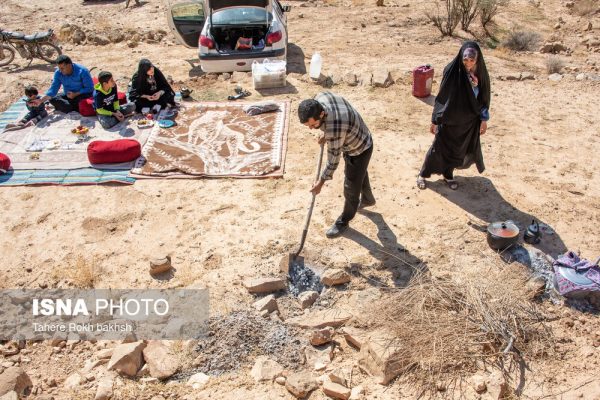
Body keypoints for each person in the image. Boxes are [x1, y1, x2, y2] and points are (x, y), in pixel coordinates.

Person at [298, 92, 376, 239]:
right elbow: (331, 127)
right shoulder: (319, 99)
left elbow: (333, 160)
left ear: (321, 114)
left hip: (359, 148)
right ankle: (368, 199)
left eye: (313, 125)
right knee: (359, 173)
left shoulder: (334, 128)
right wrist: (325, 133)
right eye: (308, 125)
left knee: (351, 187)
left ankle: (344, 221)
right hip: (357, 134)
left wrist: (321, 182)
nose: (311, 128)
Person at [416, 41, 490, 191]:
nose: (468, 63)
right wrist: (435, 120)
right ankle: (423, 174)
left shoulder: (480, 73)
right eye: (466, 59)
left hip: (468, 123)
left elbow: (484, 98)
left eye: (472, 60)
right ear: (461, 57)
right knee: (438, 148)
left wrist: (483, 119)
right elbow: (442, 97)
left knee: (458, 150)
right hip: (450, 119)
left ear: (477, 59)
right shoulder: (452, 71)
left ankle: (448, 175)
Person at [30, 55, 94, 114]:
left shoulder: (82, 71)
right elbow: (53, 89)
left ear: (69, 65)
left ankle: (71, 107)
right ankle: (72, 107)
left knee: (82, 102)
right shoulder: (58, 73)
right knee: (52, 99)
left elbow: (90, 88)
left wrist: (76, 94)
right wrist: (41, 100)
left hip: (81, 94)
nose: (60, 70)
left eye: (62, 68)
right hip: (68, 95)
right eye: (59, 68)